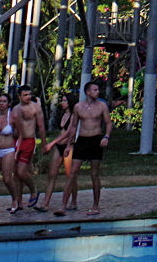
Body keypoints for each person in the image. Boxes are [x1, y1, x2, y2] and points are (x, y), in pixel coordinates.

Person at [65, 80, 113, 215]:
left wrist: (106, 136)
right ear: (87, 92)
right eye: (95, 90)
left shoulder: (102, 106)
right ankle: (67, 203)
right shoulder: (78, 107)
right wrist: (69, 144)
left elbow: (108, 123)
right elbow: (73, 126)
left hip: (95, 139)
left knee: (94, 174)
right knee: (73, 172)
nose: (97, 92)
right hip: (82, 140)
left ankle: (96, 205)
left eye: (98, 90)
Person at [36, 90, 77, 215]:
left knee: (70, 176)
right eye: (62, 100)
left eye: (65, 100)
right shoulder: (63, 115)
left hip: (69, 146)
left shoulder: (74, 116)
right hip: (59, 146)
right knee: (52, 175)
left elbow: (68, 132)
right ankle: (45, 203)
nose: (62, 103)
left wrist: (52, 143)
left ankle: (73, 201)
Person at [13, 85, 47, 209]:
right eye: (25, 95)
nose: (28, 97)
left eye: (29, 94)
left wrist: (44, 144)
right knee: (16, 173)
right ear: (19, 96)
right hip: (16, 141)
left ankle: (33, 190)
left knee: (22, 171)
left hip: (29, 140)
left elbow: (41, 126)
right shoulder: (16, 109)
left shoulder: (35, 108)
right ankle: (18, 201)